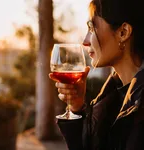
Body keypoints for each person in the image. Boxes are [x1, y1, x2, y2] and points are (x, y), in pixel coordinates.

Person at [49, 0, 144, 149]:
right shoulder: (110, 95)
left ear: (123, 32)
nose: (85, 42)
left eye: (92, 28)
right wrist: (76, 107)